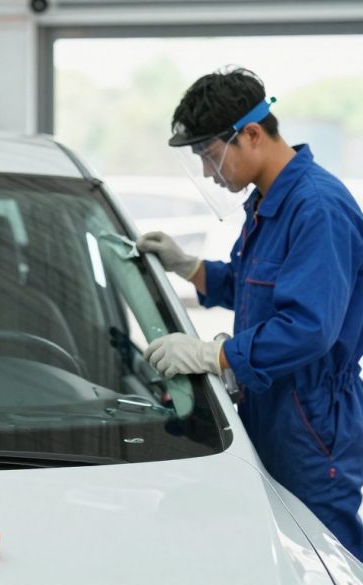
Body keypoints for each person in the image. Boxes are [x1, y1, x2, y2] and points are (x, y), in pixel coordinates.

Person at [138, 67, 363, 558]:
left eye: (209, 155)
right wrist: (191, 267)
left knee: (325, 553)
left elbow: (308, 327)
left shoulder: (317, 208)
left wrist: (213, 356)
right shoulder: (268, 200)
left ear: (252, 135)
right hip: (270, 404)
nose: (206, 173)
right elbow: (257, 288)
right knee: (276, 549)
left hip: (311, 417)